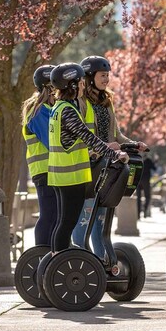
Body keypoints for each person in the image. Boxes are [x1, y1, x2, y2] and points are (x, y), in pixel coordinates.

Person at [48, 62, 129, 256]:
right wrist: (115, 154)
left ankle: (56, 260)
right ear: (73, 86)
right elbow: (89, 138)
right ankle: (59, 262)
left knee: (62, 223)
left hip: (61, 176)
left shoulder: (58, 108)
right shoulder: (68, 111)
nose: (83, 86)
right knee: (67, 224)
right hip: (71, 176)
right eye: (81, 83)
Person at [72, 56, 146, 260]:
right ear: (89, 76)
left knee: (101, 217)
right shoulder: (80, 102)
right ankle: (80, 259)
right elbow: (81, 136)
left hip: (107, 164)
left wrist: (133, 144)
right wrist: (104, 147)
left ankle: (102, 260)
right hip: (87, 165)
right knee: (86, 215)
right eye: (102, 75)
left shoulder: (107, 101)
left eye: (107, 75)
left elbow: (116, 135)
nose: (106, 79)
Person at [21, 65, 56, 246]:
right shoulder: (38, 111)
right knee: (48, 216)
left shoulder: (50, 109)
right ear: (48, 86)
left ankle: (52, 256)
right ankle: (41, 256)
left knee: (55, 217)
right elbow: (52, 143)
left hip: (54, 171)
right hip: (44, 171)